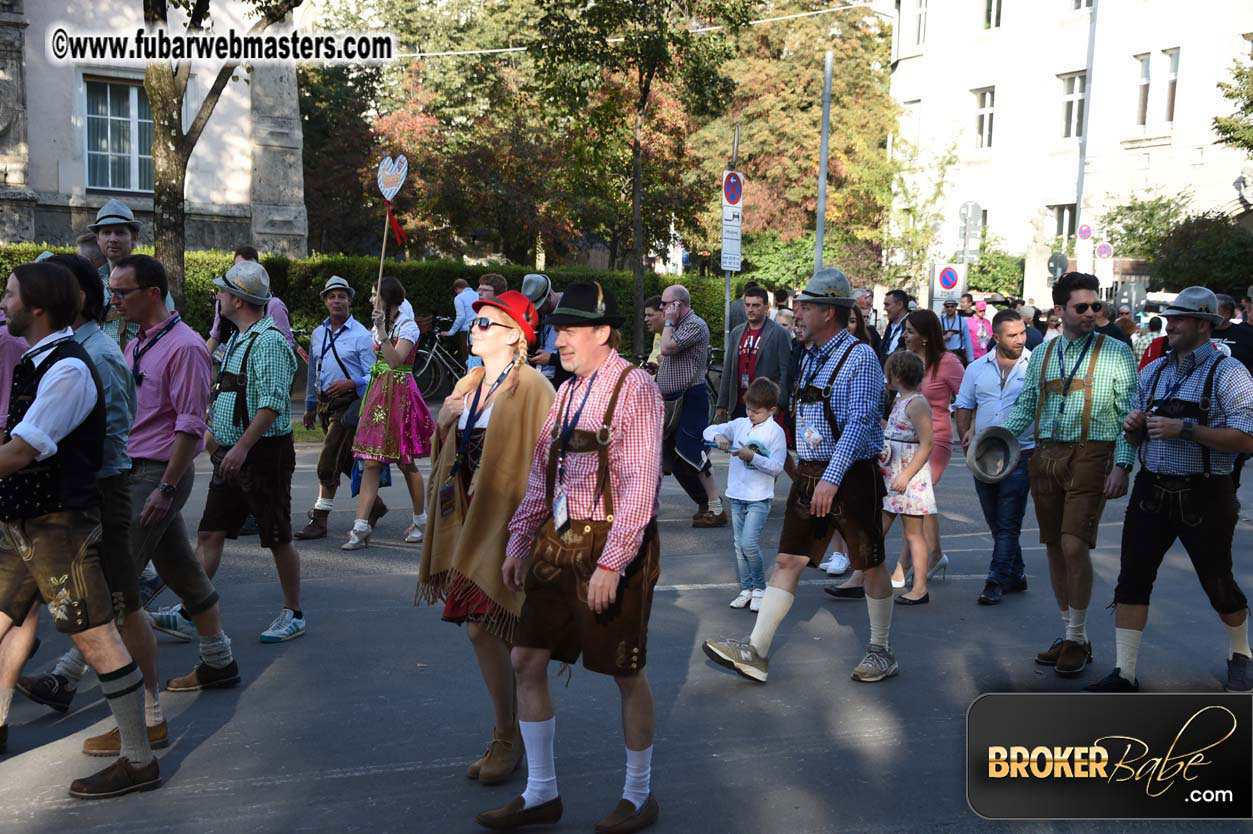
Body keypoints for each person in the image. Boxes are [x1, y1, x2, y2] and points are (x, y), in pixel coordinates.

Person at [476, 282, 663, 833]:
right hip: (557, 543)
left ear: (603, 333)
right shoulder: (566, 392)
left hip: (610, 544)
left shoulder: (636, 388)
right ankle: (541, 794)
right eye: (559, 330)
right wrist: (518, 543)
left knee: (625, 673)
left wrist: (614, 561)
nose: (560, 339)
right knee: (526, 660)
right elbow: (542, 478)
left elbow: (640, 485)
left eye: (572, 330)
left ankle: (638, 794)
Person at [0, 260, 157, 797]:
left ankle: (138, 759)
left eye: (11, 293)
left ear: (37, 306)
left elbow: (23, 450)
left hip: (60, 527)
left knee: (97, 639)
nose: (4, 301)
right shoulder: (39, 358)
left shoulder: (68, 369)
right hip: (24, 521)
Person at [702, 268, 897, 685]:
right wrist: (798, 469)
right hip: (812, 474)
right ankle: (755, 652)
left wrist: (831, 479)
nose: (798, 314)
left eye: (805, 307)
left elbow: (861, 423)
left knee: (870, 562)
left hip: (851, 475)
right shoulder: (808, 356)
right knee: (788, 558)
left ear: (829, 312)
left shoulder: (859, 357)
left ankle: (881, 650)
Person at [417, 290, 554, 787]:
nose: (474, 331)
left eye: (487, 325)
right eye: (475, 325)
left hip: (512, 520)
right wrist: (444, 422)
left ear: (517, 335)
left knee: (492, 630)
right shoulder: (469, 381)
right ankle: (512, 731)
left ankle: (511, 735)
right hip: (471, 518)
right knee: (494, 631)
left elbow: (548, 464)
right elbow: (447, 455)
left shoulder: (535, 387)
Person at [1086, 287, 1253, 693]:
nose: (1169, 324)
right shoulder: (1154, 370)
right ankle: (1125, 672)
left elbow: (1247, 440)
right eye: (1170, 317)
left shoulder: (1230, 373)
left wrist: (1187, 429)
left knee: (1218, 582)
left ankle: (1241, 653)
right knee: (1132, 580)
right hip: (1152, 490)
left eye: (1178, 318)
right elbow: (1136, 427)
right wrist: (1132, 432)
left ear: (1202, 324)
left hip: (1207, 494)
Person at [95, 255, 239, 697]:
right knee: (182, 569)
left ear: (152, 293)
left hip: (157, 474)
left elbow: (190, 425)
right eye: (112, 292)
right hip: (135, 470)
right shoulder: (137, 341)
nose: (114, 300)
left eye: (123, 292)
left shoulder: (187, 346)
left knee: (114, 578)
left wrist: (166, 487)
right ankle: (219, 660)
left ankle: (68, 676)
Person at [1000, 272, 1137, 678]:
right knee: (1055, 548)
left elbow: (1129, 411)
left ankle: (1077, 636)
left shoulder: (1116, 351)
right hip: (1046, 456)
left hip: (1092, 455)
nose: (1092, 313)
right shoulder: (1041, 354)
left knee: (1074, 545)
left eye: (1097, 306)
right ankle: (1070, 635)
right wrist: (997, 439)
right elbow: (1026, 407)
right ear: (1060, 311)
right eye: (1083, 307)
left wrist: (1123, 464)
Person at [196, 260, 306, 642]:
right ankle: (191, 606)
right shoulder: (240, 338)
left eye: (223, 292)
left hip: (262, 454)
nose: (218, 297)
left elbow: (275, 401)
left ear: (239, 300)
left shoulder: (269, 341)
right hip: (234, 451)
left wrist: (242, 447)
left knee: (277, 534)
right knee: (209, 532)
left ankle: (293, 612)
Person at [344, 277, 435, 550]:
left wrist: (383, 332)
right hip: (379, 393)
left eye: (375, 295)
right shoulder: (377, 326)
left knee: (405, 462)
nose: (371, 300)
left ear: (388, 298)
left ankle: (420, 520)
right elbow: (380, 361)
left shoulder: (408, 327)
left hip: (401, 395)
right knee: (371, 461)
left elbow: (396, 361)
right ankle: (360, 527)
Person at [955, 310, 1034, 605]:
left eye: (1022, 333)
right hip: (984, 455)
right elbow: (963, 404)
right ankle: (1017, 573)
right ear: (996, 336)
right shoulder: (976, 368)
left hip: (1022, 453)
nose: (1019, 339)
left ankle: (996, 580)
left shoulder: (1035, 365)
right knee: (995, 521)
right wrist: (965, 438)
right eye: (1012, 335)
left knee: (1008, 521)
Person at [294, 276, 380, 540]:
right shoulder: (318, 333)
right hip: (324, 406)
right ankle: (375, 506)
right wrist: (309, 405)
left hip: (350, 407)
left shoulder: (361, 335)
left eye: (342, 296)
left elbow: (375, 373)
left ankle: (319, 520)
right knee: (344, 459)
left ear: (349, 302)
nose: (337, 301)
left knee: (327, 462)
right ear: (325, 301)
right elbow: (313, 373)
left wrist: (351, 383)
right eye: (332, 296)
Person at [704, 378, 787, 612]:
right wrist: (718, 437)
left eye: (756, 411)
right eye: (749, 408)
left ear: (771, 410)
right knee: (739, 545)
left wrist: (750, 456)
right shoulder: (740, 423)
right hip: (737, 494)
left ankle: (760, 587)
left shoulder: (775, 432)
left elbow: (777, 467)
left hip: (759, 497)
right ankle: (746, 588)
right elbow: (709, 429)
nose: (751, 414)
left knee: (749, 543)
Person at [657, 284, 724, 528]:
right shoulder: (677, 326)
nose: (662, 308)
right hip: (672, 400)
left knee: (691, 449)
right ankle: (704, 503)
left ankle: (715, 506)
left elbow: (667, 348)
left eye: (666, 304)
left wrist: (668, 323)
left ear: (678, 304)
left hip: (690, 397)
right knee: (673, 458)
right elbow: (666, 354)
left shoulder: (695, 324)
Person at [877, 352, 936, 604]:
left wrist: (906, 475)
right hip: (894, 475)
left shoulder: (917, 403)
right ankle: (868, 577)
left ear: (897, 376)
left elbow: (927, 443)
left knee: (914, 534)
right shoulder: (902, 400)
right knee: (878, 529)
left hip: (908, 478)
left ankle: (920, 587)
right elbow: (896, 431)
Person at [715, 286, 791, 422]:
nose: (750, 309)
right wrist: (722, 403)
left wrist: (779, 403)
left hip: (764, 406)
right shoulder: (737, 332)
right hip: (738, 404)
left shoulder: (779, 333)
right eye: (747, 305)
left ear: (766, 308)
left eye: (756, 305)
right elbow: (728, 369)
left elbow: (785, 372)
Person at [205, 246, 296, 355]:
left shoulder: (273, 306)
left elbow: (285, 346)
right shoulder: (223, 303)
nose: (244, 273)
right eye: (239, 268)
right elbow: (215, 337)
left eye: (250, 269)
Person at [1213, 294, 1253, 494]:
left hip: (1235, 407)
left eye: (1214, 308)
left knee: (1230, 465)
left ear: (1226, 313)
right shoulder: (1201, 332)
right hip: (1203, 406)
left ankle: (1227, 498)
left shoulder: (1246, 335)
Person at [521, 273, 571, 389]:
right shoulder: (542, 312)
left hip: (562, 382)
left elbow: (580, 354)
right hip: (541, 379)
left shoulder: (570, 311)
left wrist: (552, 359)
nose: (537, 311)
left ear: (548, 296)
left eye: (539, 306)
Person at [442, 277, 480, 361]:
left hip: (467, 331)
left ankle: (469, 373)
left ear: (457, 288)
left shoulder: (459, 298)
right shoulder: (477, 294)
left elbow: (461, 317)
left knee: (468, 358)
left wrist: (451, 332)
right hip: (480, 328)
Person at [878, 289, 909, 361]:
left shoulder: (912, 324)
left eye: (887, 305)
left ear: (900, 305)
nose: (884, 308)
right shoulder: (890, 326)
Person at [939, 299, 972, 364]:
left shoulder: (962, 321)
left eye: (952, 306)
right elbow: (934, 339)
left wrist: (970, 358)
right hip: (944, 354)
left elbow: (967, 340)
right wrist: (945, 337)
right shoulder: (939, 320)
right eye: (947, 306)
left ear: (956, 307)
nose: (950, 308)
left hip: (958, 354)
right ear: (944, 307)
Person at [642, 295, 665, 371]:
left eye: (650, 315)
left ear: (664, 314)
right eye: (645, 315)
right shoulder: (658, 334)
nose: (645, 319)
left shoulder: (677, 337)